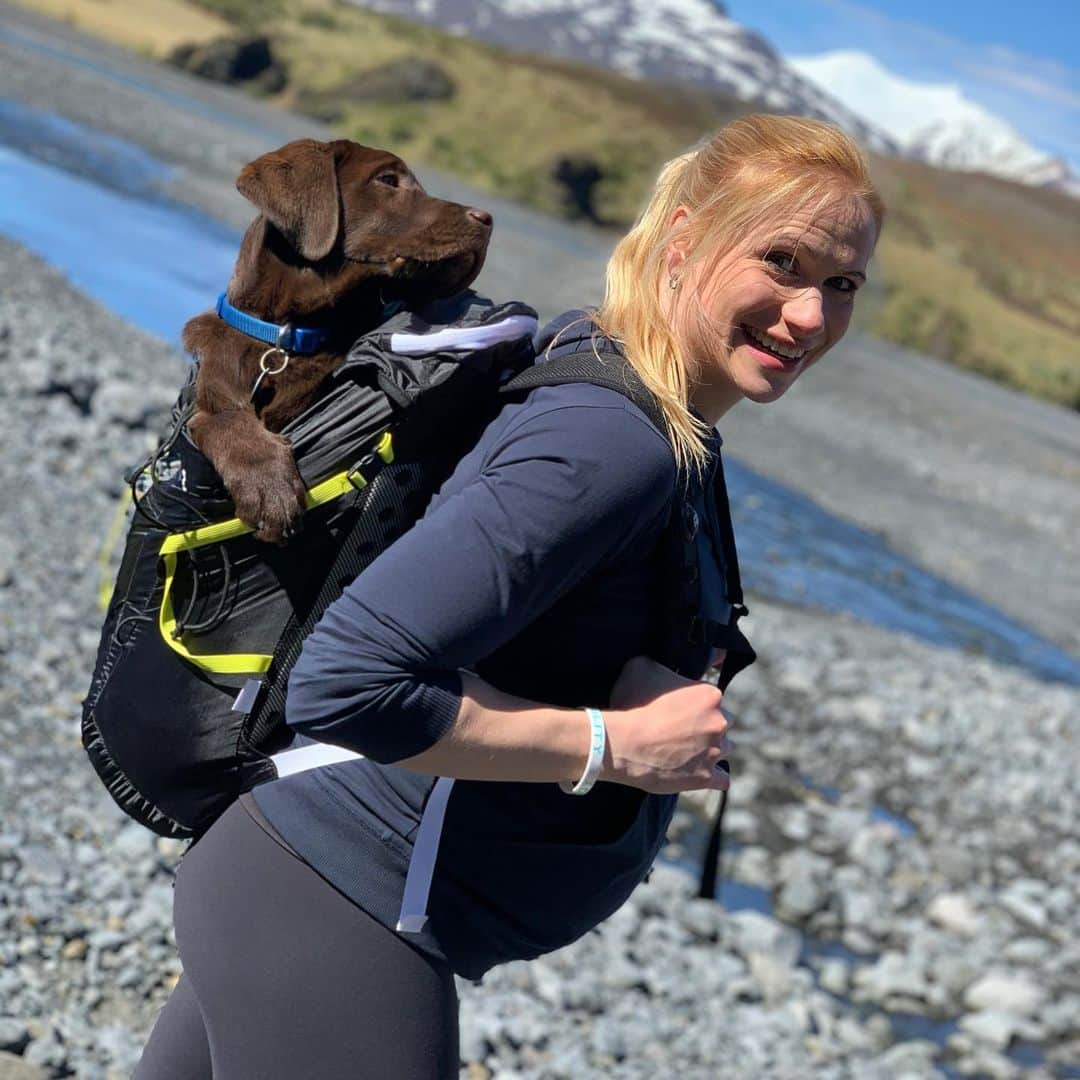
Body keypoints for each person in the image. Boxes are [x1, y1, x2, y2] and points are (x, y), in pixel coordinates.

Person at [135, 114, 883, 1079]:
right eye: (781, 261)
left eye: (842, 284)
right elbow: (344, 683)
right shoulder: (608, 441)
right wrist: (616, 746)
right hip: (343, 895)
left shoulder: (646, 406)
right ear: (685, 239)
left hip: (301, 888)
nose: (811, 315)